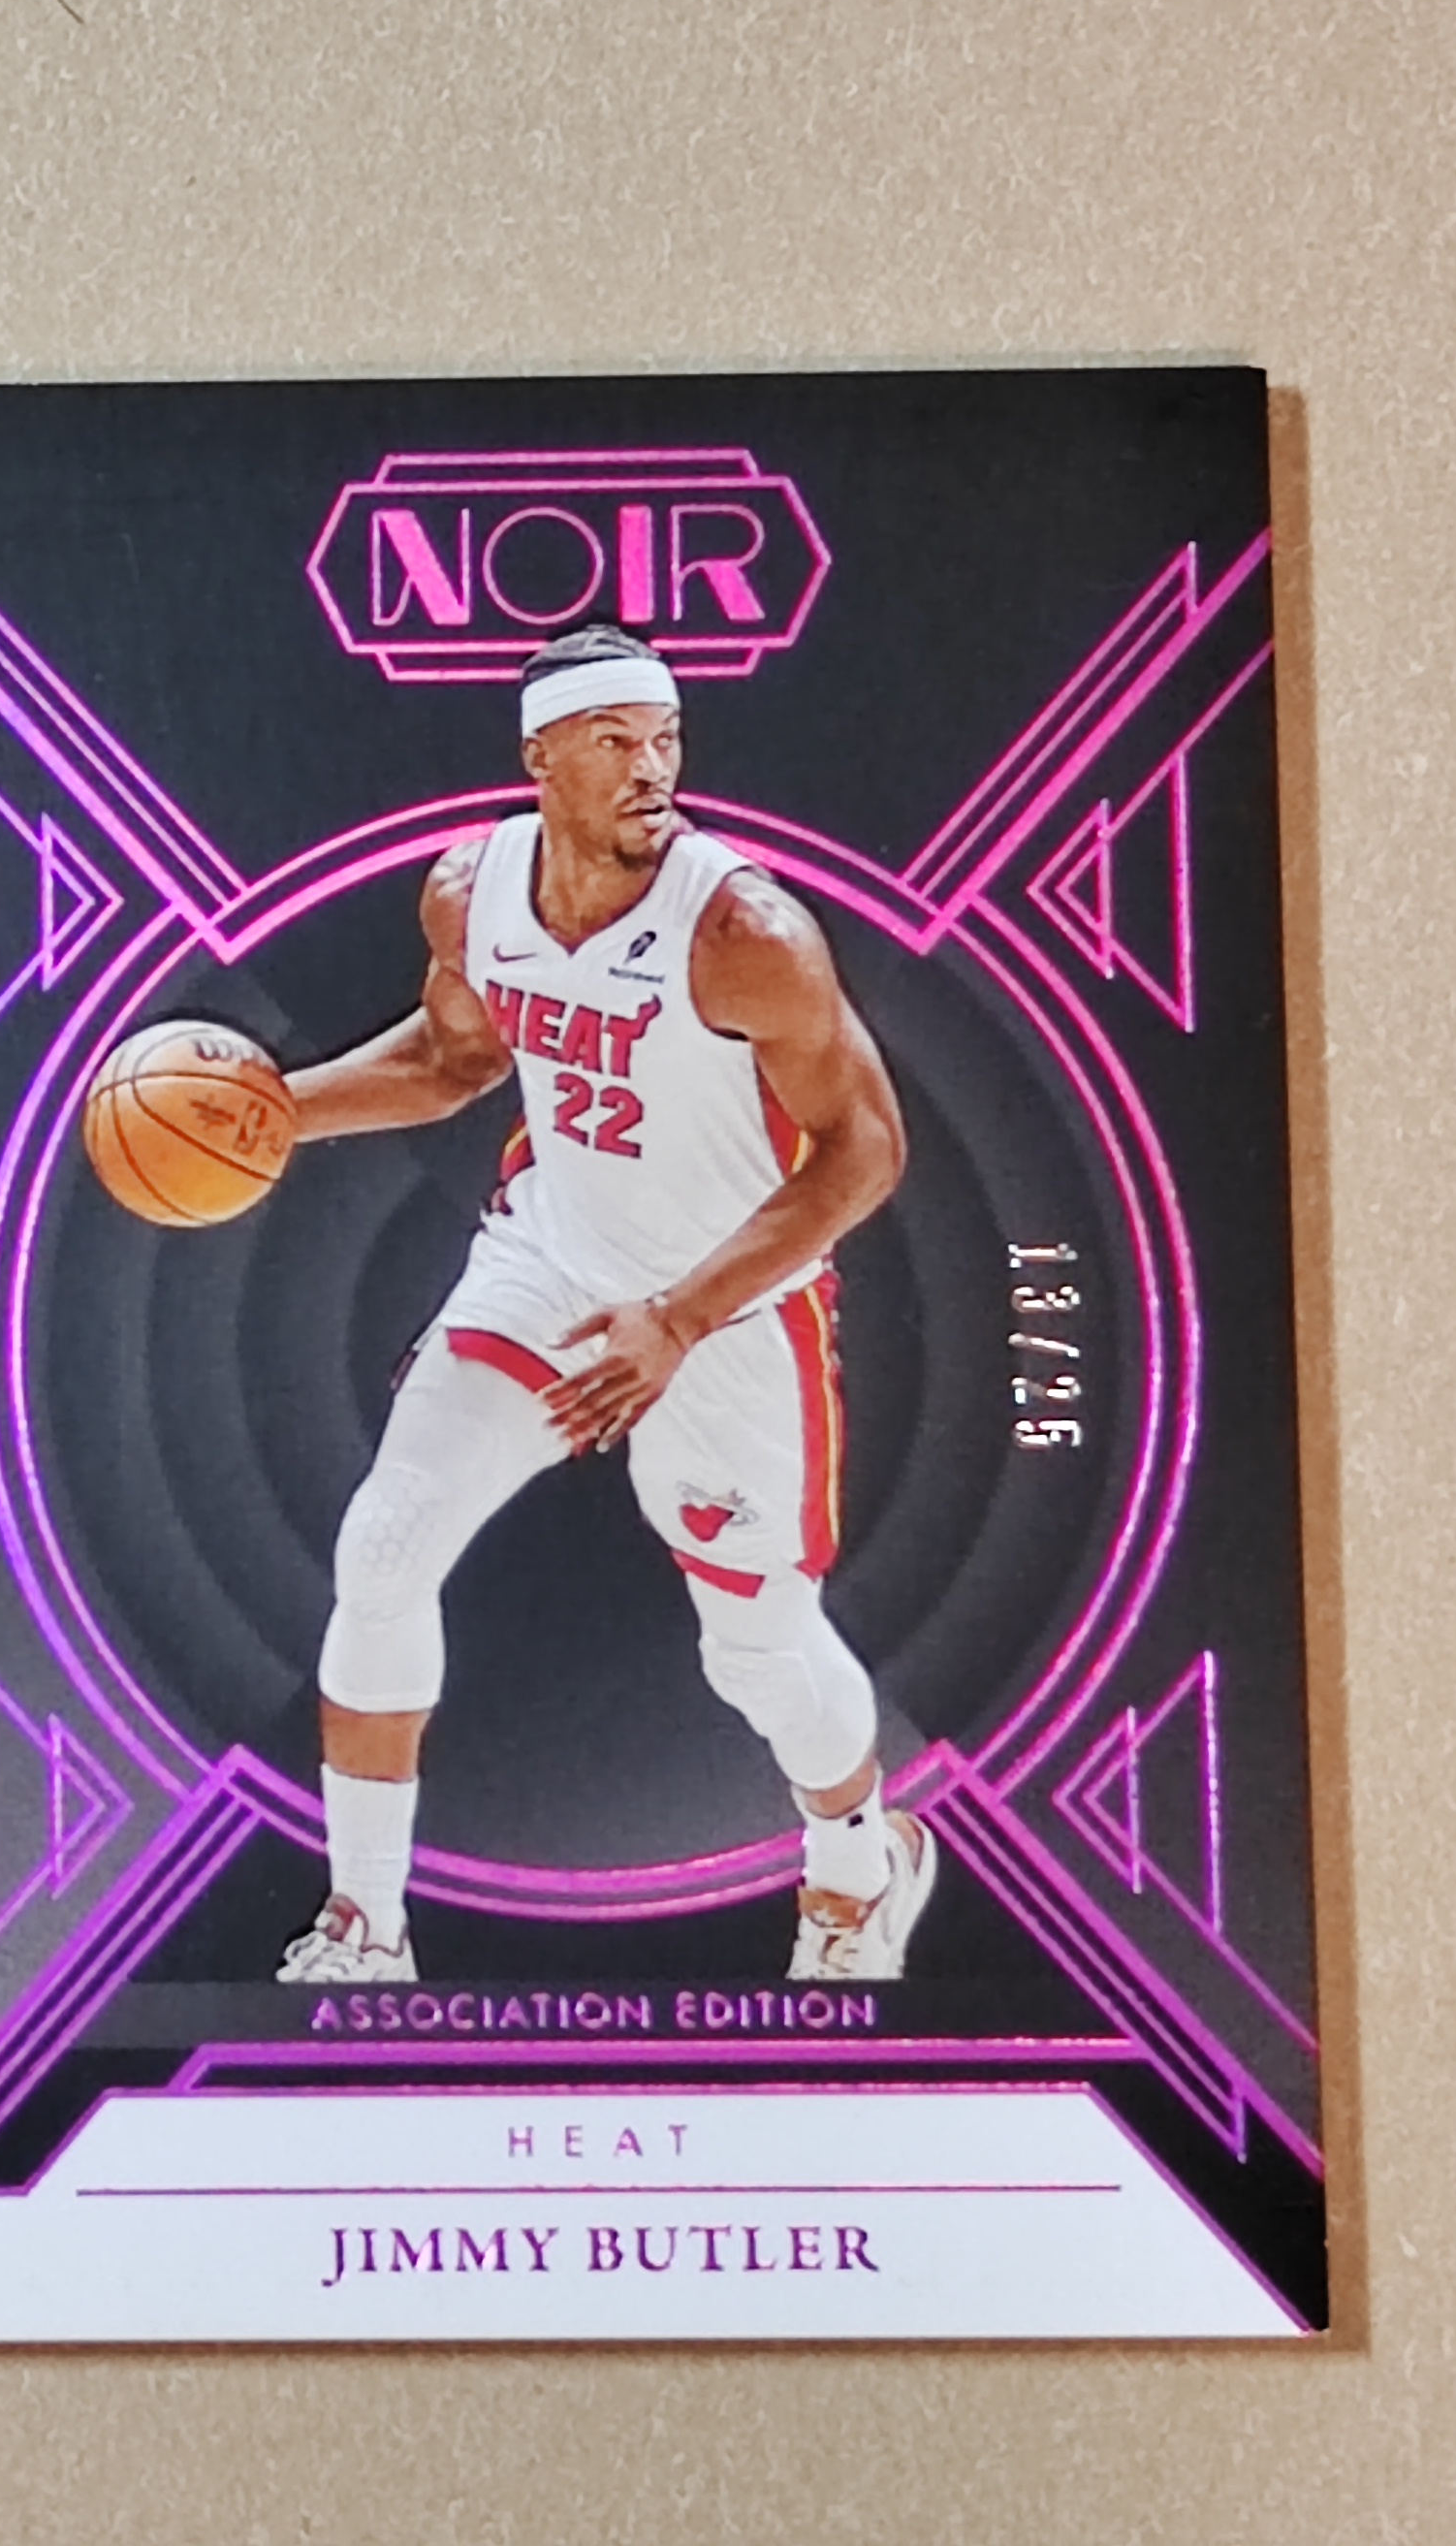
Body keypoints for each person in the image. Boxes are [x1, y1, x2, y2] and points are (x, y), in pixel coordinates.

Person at [272, 622, 929, 1987]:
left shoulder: (745, 934)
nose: (652, 767)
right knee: (385, 1548)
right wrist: (278, 1112)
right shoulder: (471, 892)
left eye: (667, 738)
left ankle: (861, 1870)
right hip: (553, 1264)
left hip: (733, 1307)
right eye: (616, 740)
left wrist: (678, 1320)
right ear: (541, 757)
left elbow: (866, 1152)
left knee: (756, 1650)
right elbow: (454, 1058)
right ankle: (366, 1926)